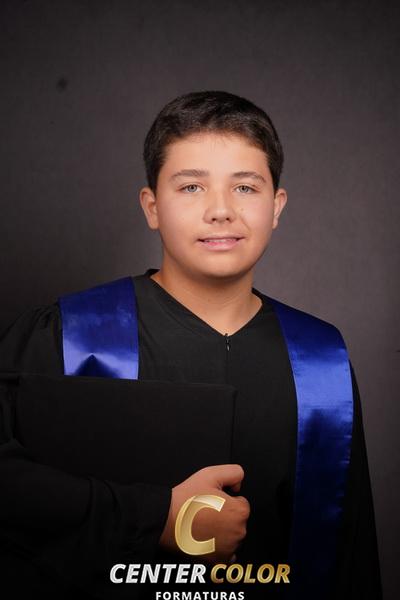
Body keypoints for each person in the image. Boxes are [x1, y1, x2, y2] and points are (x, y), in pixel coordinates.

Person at [0, 91, 382, 599]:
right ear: (152, 207)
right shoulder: (70, 335)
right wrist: (158, 518)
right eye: (191, 187)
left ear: (276, 207)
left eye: (245, 187)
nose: (220, 210)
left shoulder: (322, 362)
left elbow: (352, 556)